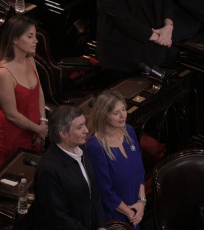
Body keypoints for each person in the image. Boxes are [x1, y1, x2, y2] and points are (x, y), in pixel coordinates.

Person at [34, 105, 106, 230]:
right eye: (79, 127)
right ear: (63, 133)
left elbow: (93, 192)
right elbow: (58, 218)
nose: (86, 130)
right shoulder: (48, 169)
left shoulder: (82, 149)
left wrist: (100, 225)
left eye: (84, 124)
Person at [0, 15, 48, 171]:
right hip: (13, 137)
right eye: (30, 36)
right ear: (15, 39)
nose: (35, 41)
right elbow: (11, 114)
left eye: (35, 36)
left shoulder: (30, 59)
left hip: (36, 132)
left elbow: (40, 92)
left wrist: (42, 122)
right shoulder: (3, 73)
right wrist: (38, 129)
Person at [85, 90, 145, 229]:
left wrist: (141, 202)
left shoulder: (128, 131)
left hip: (136, 210)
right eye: (115, 113)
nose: (123, 115)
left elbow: (140, 170)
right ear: (104, 115)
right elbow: (105, 191)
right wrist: (130, 213)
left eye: (123, 109)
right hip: (115, 216)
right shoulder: (95, 147)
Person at [96, 0, 174, 75]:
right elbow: (117, 13)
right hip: (122, 56)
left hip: (155, 51)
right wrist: (157, 37)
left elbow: (166, 3)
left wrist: (168, 25)